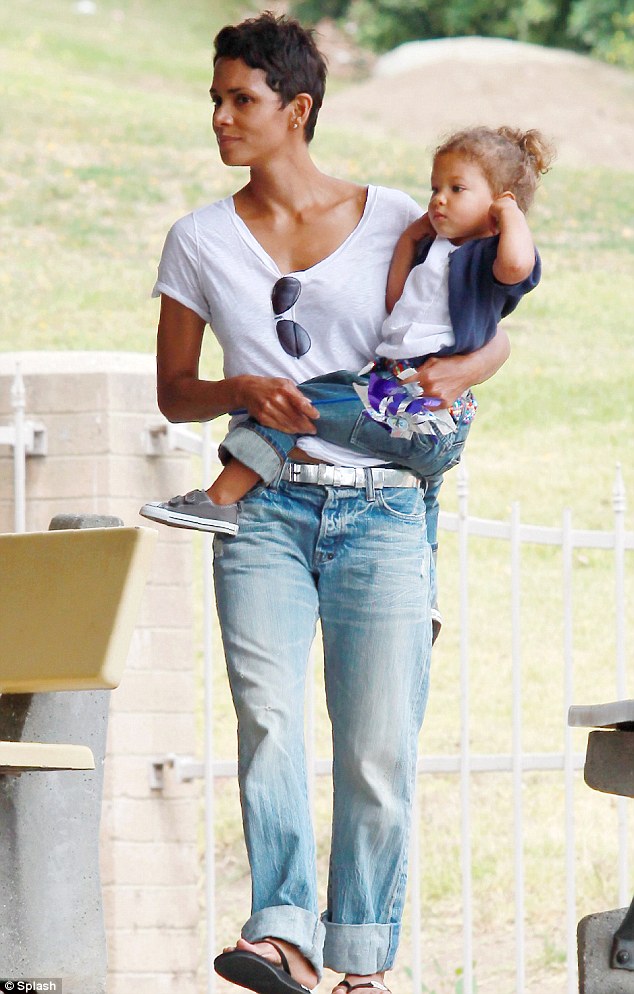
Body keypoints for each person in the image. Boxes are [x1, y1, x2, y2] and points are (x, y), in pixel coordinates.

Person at [146, 12, 512, 994]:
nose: (221, 117)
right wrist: (239, 388)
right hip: (262, 512)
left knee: (377, 750)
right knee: (267, 723)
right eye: (216, 99)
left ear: (297, 108)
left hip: (385, 511)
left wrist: (465, 372)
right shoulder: (197, 241)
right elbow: (175, 391)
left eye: (242, 99)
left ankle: (361, 963)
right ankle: (281, 936)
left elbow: (478, 323)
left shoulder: (398, 217)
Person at [140, 125, 552, 538]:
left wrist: (509, 214)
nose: (438, 199)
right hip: (396, 384)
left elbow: (517, 268)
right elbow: (395, 302)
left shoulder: (491, 257)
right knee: (315, 415)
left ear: (499, 203)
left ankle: (219, 499)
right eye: (434, 188)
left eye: (456, 189)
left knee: (292, 405)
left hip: (425, 406)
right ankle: (423, 581)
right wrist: (411, 238)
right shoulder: (437, 250)